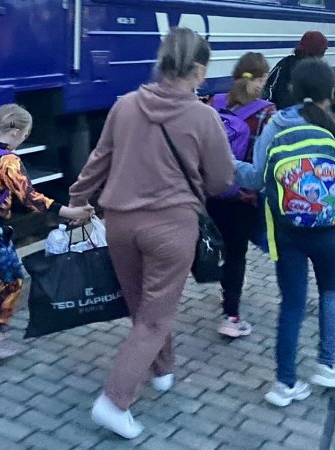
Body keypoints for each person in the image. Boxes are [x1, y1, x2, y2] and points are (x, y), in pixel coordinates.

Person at [68, 27, 234, 439]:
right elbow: (221, 180)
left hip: (120, 223)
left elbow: (99, 159)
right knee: (155, 318)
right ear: (198, 70)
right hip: (171, 227)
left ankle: (162, 369)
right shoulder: (204, 117)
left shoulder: (124, 105)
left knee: (143, 309)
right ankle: (114, 401)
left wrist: (76, 198)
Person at [235, 59, 335, 407]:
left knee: (292, 303)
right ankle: (327, 365)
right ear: (332, 91)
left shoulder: (275, 124)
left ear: (293, 90)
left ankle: (284, 384)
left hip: (287, 230)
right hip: (331, 232)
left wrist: (228, 163)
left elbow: (256, 178)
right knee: (332, 292)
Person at [0, 104, 94, 370]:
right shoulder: (8, 160)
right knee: (13, 281)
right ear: (16, 132)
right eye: (26, 134)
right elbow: (31, 198)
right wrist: (70, 211)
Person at [206, 52, 276, 338]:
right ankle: (231, 316)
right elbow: (265, 159)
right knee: (237, 255)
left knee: (217, 245)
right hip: (242, 197)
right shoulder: (267, 112)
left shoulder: (213, 103)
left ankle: (222, 285)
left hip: (210, 193)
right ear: (261, 79)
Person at [263, 31, 329, 109]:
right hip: (304, 113)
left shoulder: (284, 63)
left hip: (280, 112)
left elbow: (269, 87)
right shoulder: (317, 71)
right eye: (322, 52)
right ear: (317, 52)